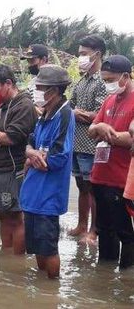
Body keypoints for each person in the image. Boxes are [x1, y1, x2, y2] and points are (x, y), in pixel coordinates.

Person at [21, 65, 75, 279]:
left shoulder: (64, 115)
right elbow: (30, 143)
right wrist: (31, 153)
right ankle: (41, 288)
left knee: (48, 247)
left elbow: (58, 156)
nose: (36, 91)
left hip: (48, 196)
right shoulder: (45, 114)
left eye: (40, 87)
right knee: (36, 247)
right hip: (33, 192)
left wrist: (34, 157)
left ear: (53, 91)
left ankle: (52, 289)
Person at [88, 55, 134, 269]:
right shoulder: (109, 100)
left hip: (121, 178)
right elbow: (91, 130)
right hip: (100, 174)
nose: (108, 85)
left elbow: (130, 138)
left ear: (125, 76)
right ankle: (105, 275)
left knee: (125, 232)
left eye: (111, 80)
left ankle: (125, 276)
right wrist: (100, 128)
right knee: (104, 228)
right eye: (104, 80)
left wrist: (109, 132)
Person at [0, 65, 37, 247]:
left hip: (12, 169)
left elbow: (12, 137)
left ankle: (16, 261)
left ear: (8, 83)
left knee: (14, 217)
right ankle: (6, 258)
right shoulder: (3, 105)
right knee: (2, 214)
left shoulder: (24, 105)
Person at [69, 35, 108, 244]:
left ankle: (94, 230)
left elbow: (100, 114)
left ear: (97, 54)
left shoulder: (103, 81)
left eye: (84, 54)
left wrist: (79, 113)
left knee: (93, 188)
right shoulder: (81, 80)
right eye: (80, 54)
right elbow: (71, 106)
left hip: (92, 145)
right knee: (81, 186)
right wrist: (80, 113)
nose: (80, 58)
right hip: (77, 142)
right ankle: (81, 225)